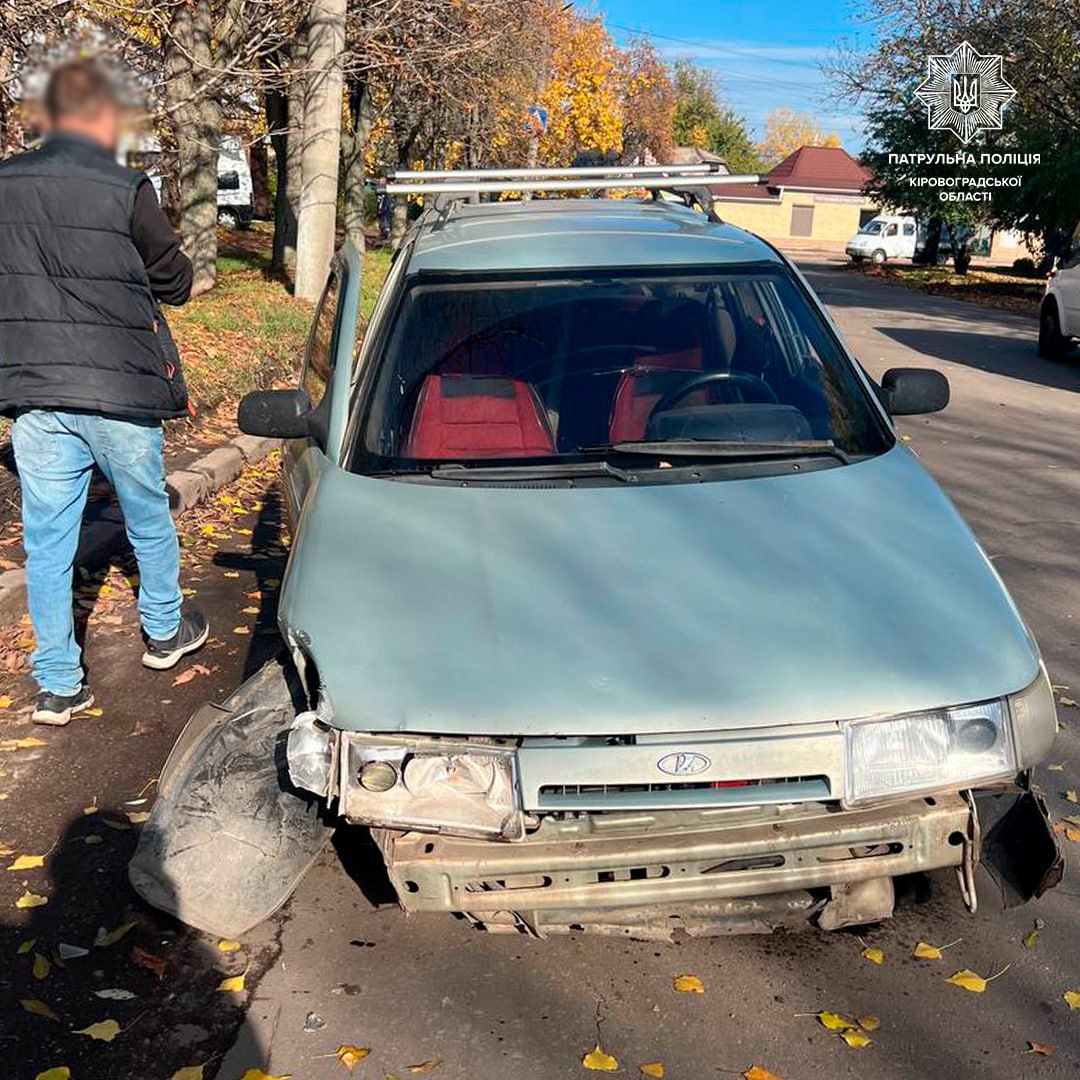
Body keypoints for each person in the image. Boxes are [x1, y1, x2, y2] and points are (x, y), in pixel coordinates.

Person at [0, 59, 208, 725]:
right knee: (147, 516)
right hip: (120, 390)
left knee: (49, 544)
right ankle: (164, 635)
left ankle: (59, 684)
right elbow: (173, 281)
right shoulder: (124, 188)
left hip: (35, 392)